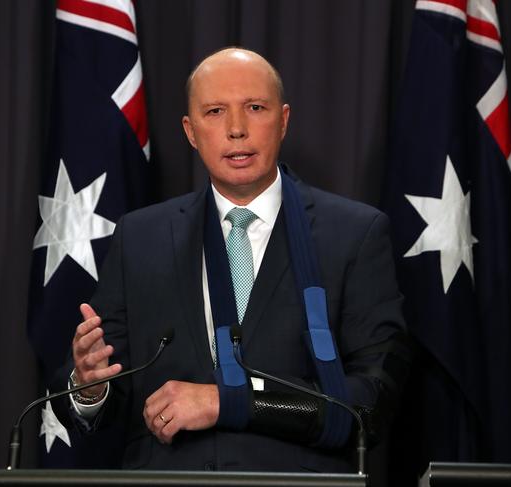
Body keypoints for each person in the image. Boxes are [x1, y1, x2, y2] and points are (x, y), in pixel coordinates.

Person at [59, 47, 409, 473]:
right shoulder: (140, 238)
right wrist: (91, 390)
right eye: (215, 112)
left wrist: (227, 402)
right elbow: (107, 394)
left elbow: (372, 402)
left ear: (282, 121)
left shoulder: (355, 234)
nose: (237, 130)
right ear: (190, 131)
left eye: (255, 108)